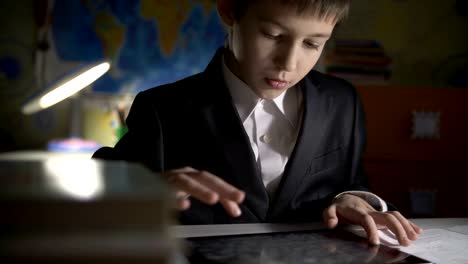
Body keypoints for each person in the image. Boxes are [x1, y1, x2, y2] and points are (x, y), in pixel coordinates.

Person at [93, 0, 422, 246]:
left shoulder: (341, 101)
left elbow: (350, 180)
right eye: (273, 35)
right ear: (229, 11)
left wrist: (353, 198)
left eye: (313, 43)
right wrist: (147, 190)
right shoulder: (162, 108)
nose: (288, 64)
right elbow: (99, 198)